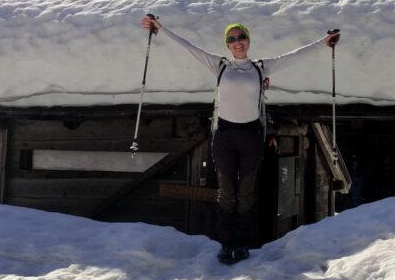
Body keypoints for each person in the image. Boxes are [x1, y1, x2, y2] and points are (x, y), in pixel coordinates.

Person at [141, 15, 340, 265]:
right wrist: (161, 27)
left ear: (248, 40)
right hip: (224, 135)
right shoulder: (220, 66)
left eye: (241, 37)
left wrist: (324, 41)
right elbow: (189, 47)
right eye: (232, 39)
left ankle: (242, 244)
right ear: (227, 44)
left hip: (250, 136)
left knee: (245, 193)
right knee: (226, 193)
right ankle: (226, 244)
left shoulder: (260, 68)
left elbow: (293, 56)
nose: (238, 42)